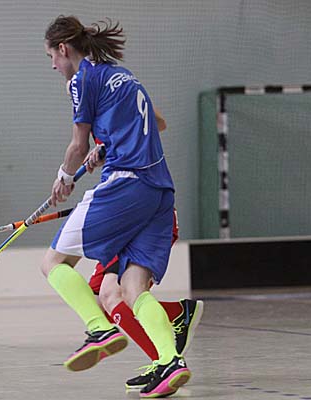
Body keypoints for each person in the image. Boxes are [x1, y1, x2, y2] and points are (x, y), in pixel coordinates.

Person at [41, 15, 191, 397]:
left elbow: (77, 145)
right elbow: (156, 123)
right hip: (161, 191)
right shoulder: (123, 76)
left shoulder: (82, 79)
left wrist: (64, 177)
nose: (53, 66)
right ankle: (170, 361)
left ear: (63, 49)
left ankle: (98, 329)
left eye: (51, 57)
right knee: (133, 288)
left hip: (126, 185)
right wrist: (108, 145)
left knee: (53, 263)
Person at [64, 81, 204, 392]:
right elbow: (152, 126)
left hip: (138, 211)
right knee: (100, 296)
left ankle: (166, 360)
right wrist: (107, 150)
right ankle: (174, 323)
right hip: (127, 208)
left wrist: (106, 148)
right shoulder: (107, 93)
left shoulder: (108, 91)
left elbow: (157, 123)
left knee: (112, 294)